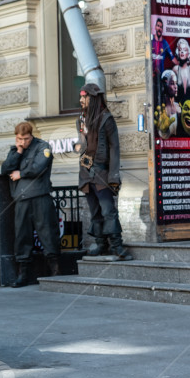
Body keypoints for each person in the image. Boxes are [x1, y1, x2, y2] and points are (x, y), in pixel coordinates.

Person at [1, 121, 61, 287]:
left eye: (26, 139)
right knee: (22, 237)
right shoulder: (16, 150)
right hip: (21, 199)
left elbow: (39, 167)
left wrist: (21, 174)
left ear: (31, 135)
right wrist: (18, 151)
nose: (23, 142)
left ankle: (55, 271)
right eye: (20, 139)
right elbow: (5, 168)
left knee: (48, 233)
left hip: (40, 196)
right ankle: (23, 274)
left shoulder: (43, 147)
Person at [76, 83, 130, 260]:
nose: (81, 100)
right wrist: (80, 141)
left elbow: (115, 148)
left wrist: (113, 175)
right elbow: (83, 146)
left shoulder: (106, 119)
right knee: (95, 211)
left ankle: (117, 245)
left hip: (101, 172)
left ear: (93, 98)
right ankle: (101, 244)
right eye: (81, 97)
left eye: (84, 97)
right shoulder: (81, 120)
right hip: (86, 172)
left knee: (108, 210)